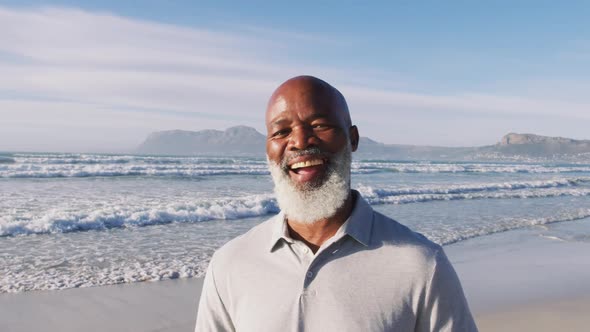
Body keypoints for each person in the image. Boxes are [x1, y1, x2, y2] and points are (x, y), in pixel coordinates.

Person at [195, 76, 478, 331]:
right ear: (268, 149)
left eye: (319, 125)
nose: (299, 141)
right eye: (280, 132)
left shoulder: (421, 264)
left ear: (352, 139)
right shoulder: (230, 264)